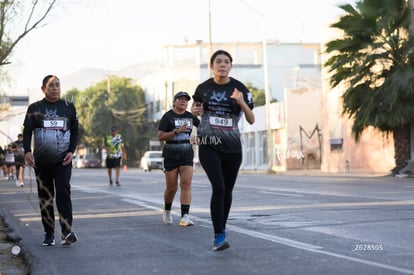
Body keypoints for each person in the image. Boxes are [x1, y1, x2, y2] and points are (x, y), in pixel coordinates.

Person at [192, 50, 255, 251]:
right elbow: (196, 114)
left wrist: (241, 102)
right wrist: (194, 113)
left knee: (227, 191)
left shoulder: (239, 88)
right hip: (209, 143)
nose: (222, 65)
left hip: (232, 147)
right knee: (218, 188)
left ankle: (222, 227)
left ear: (230, 66)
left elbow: (251, 119)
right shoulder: (203, 88)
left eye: (226, 62)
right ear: (211, 66)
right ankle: (218, 235)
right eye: (218, 62)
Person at [23, 75, 79, 246]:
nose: (55, 88)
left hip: (63, 161)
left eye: (57, 85)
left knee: (63, 192)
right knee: (45, 197)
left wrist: (71, 151)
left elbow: (75, 131)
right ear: (43, 89)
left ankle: (67, 231)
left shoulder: (68, 107)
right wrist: (27, 151)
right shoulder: (34, 108)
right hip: (42, 162)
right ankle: (49, 234)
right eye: (51, 85)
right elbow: (27, 132)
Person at [158, 91, 200, 226]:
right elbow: (160, 136)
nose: (183, 102)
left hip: (186, 153)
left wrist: (200, 137)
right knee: (172, 188)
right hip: (170, 154)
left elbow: (204, 128)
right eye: (180, 99)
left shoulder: (191, 116)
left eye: (186, 100)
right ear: (174, 102)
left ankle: (185, 217)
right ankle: (167, 210)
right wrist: (176, 131)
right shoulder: (168, 116)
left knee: (186, 184)